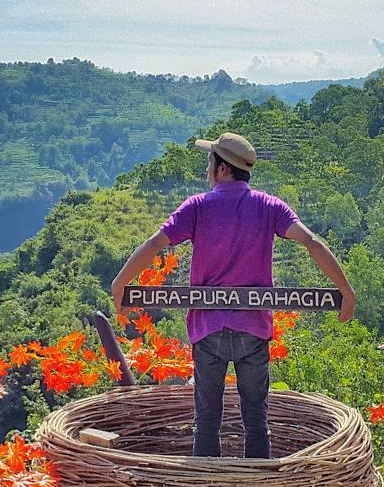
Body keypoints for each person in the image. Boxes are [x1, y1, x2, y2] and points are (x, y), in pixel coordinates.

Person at [111, 132, 355, 459]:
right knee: (256, 420)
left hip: (207, 330)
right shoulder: (269, 207)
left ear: (223, 169)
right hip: (253, 330)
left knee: (207, 422)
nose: (207, 168)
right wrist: (346, 291)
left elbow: (155, 244)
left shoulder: (197, 207)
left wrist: (120, 284)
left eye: (210, 161)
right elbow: (311, 242)